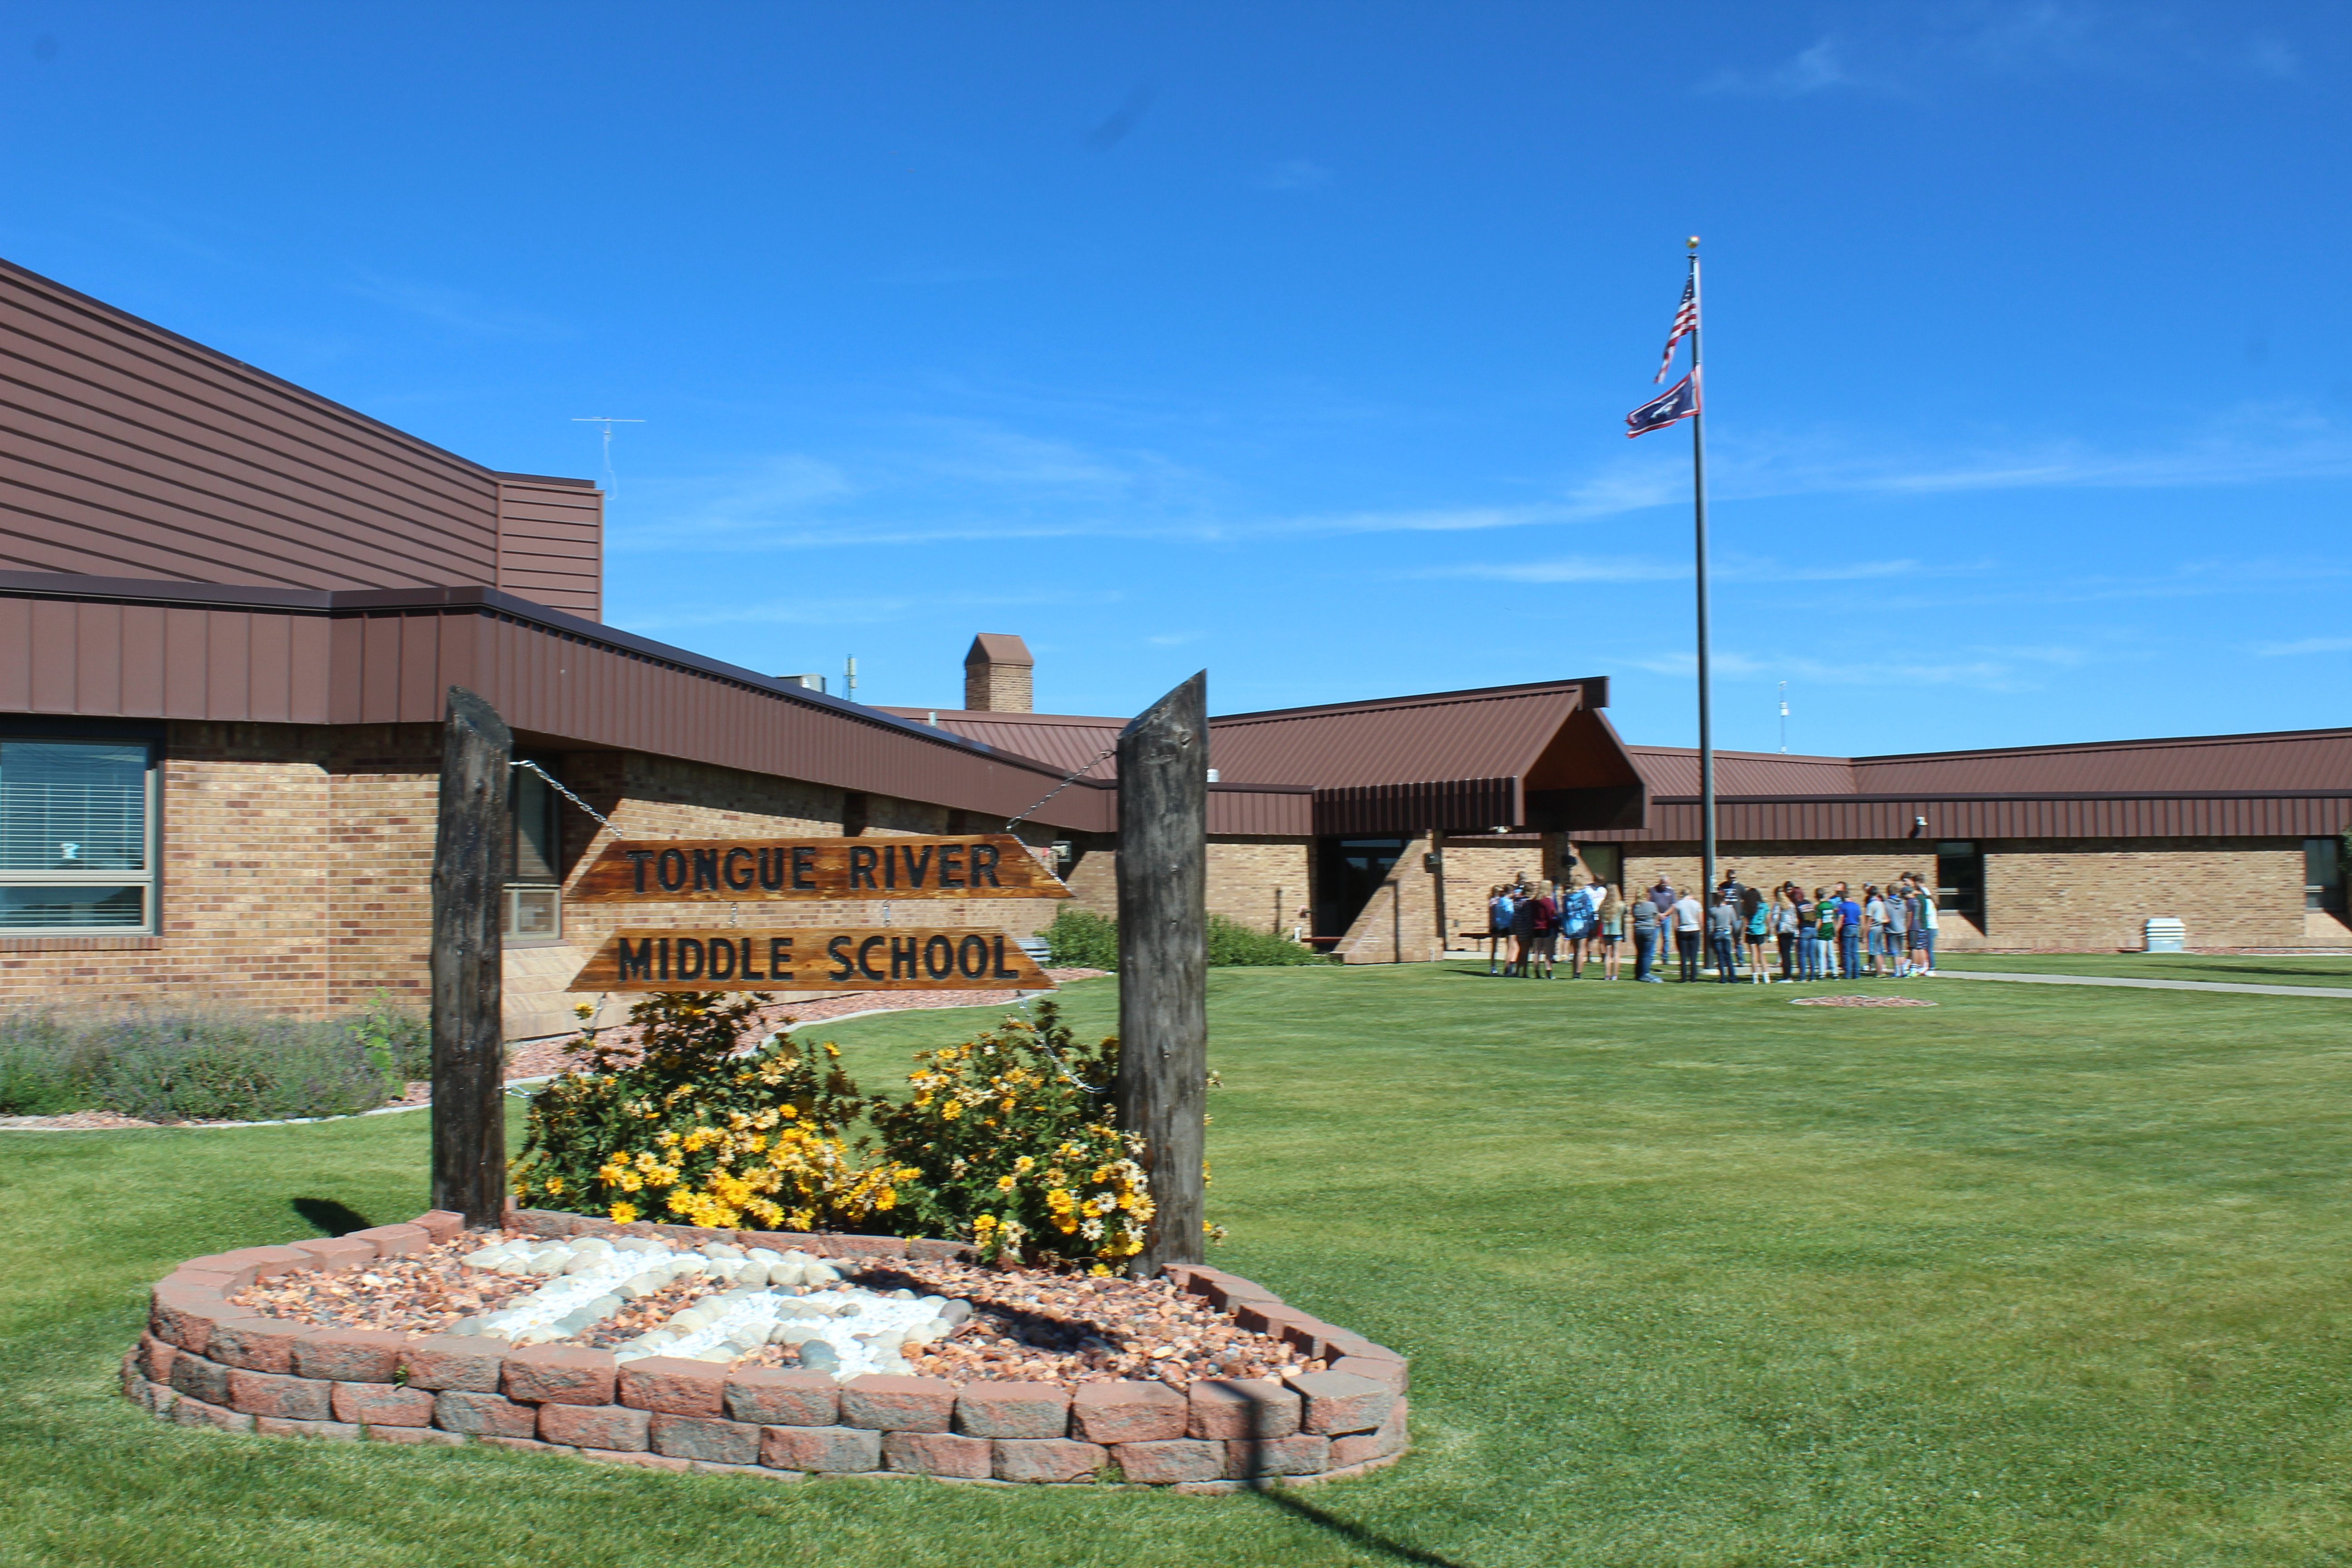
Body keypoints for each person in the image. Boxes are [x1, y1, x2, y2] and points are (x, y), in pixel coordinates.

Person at [1630, 883, 1663, 982]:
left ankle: (1638, 974)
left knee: (1640, 953)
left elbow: (1634, 916)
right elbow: (1656, 917)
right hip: (1649, 930)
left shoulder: (1634, 906)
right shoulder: (1652, 905)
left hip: (1637, 931)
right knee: (1646, 954)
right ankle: (1645, 974)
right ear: (1646, 894)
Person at [1673, 884, 1705, 981]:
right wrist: (1701, 931)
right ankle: (1693, 978)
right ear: (1691, 893)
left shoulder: (1678, 904)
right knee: (1694, 956)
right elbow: (1701, 920)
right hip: (1695, 929)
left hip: (1683, 930)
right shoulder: (1697, 904)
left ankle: (1683, 978)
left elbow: (1676, 921)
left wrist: (1676, 932)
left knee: (1683, 956)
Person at [1909, 871, 1939, 975]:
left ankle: (1931, 969)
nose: (1914, 885)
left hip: (1930, 926)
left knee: (1928, 949)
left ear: (1920, 882)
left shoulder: (1925, 895)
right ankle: (1925, 967)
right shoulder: (1926, 894)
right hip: (1930, 925)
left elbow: (1927, 913)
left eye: (1915, 882)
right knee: (1925, 948)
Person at [1708, 890, 1740, 983]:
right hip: (1727, 934)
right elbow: (1735, 924)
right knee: (1728, 956)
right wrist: (1736, 935)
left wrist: (1710, 937)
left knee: (1720, 957)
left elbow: (1710, 926)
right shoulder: (1730, 909)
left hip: (1717, 934)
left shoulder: (1713, 910)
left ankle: (1723, 978)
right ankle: (1733, 977)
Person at [1883, 877, 1911, 977]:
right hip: (1901, 929)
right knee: (1900, 952)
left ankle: (1897, 971)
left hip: (1891, 930)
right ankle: (1902, 970)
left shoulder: (1886, 904)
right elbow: (1905, 915)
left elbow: (1885, 916)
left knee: (1894, 952)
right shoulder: (1902, 904)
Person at [1836, 884, 1863, 980]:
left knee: (1847, 952)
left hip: (1847, 928)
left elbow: (1840, 920)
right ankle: (1856, 974)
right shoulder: (1856, 906)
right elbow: (1860, 919)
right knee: (1855, 952)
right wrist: (1862, 931)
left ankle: (1848, 974)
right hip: (1856, 927)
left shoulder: (1842, 906)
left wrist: (1836, 931)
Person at [1774, 884, 1801, 981]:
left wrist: (1773, 928)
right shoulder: (1791, 904)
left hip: (1783, 930)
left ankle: (1786, 977)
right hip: (1791, 930)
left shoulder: (1779, 904)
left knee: (1784, 954)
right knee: (1788, 954)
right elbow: (1795, 919)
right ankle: (1789, 975)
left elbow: (1775, 918)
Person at [1810, 886, 1837, 979]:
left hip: (1822, 932)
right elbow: (1833, 919)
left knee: (1822, 954)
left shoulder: (1819, 907)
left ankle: (1822, 973)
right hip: (1830, 930)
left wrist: (1815, 930)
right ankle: (1835, 972)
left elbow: (1819, 920)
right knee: (1831, 953)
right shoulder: (1830, 905)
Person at [1487, 886, 1514, 975]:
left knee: (1497, 947)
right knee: (1497, 947)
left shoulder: (1498, 901)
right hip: (1497, 925)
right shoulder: (1495, 902)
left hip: (1497, 925)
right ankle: (1496, 967)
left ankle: (1495, 966)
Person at [1600, 893, 1624, 979]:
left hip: (1606, 931)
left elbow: (1600, 917)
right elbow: (1625, 913)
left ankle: (1607, 976)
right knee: (1616, 954)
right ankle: (1615, 975)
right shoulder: (1621, 905)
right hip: (1617, 931)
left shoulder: (1603, 905)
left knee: (1608, 955)